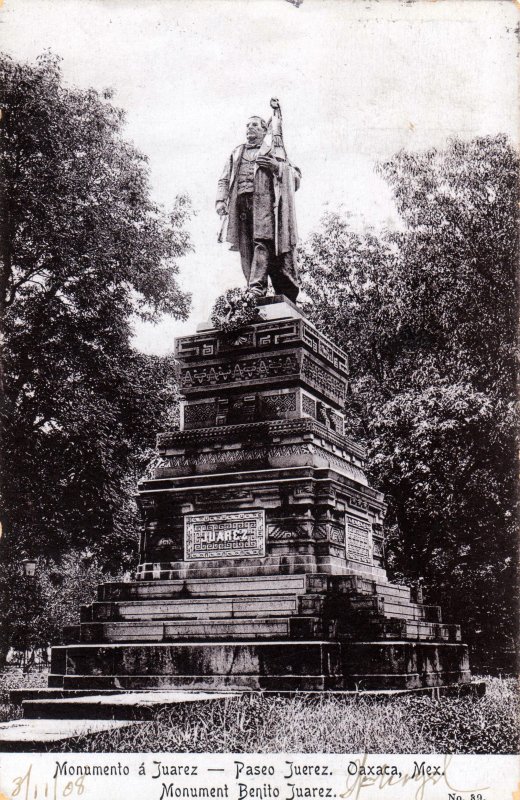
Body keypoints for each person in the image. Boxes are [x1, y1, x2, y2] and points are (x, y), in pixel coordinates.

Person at [216, 115, 300, 303]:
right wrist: (220, 201)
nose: (249, 128)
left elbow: (295, 177)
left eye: (254, 125)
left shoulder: (273, 150)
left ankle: (256, 288)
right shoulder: (237, 152)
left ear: (264, 130)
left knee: (262, 243)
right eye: (247, 125)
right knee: (246, 248)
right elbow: (224, 178)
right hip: (240, 206)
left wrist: (276, 166)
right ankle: (252, 286)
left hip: (264, 205)